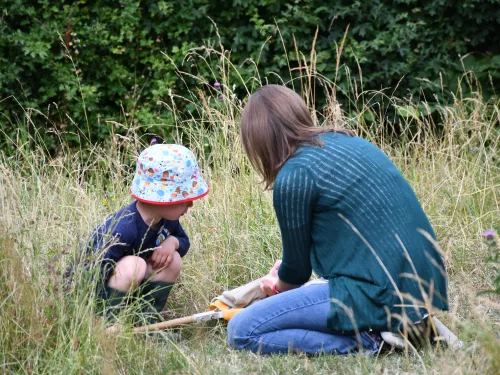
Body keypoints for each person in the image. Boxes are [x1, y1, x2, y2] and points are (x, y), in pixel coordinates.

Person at [227, 85, 448, 355]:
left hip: (377, 293)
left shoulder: (294, 175)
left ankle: (372, 341)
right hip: (422, 284)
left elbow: (296, 274)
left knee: (242, 329)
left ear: (257, 140)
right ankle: (408, 324)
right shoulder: (349, 140)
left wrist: (274, 285)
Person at [88, 143, 209, 323]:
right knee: (134, 265)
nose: (190, 204)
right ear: (161, 199)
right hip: (103, 293)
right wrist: (93, 316)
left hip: (135, 289)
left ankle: (146, 322)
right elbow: (94, 272)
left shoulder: (169, 220)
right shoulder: (124, 228)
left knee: (173, 260)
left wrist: (173, 242)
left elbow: (184, 242)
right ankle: (109, 322)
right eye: (184, 198)